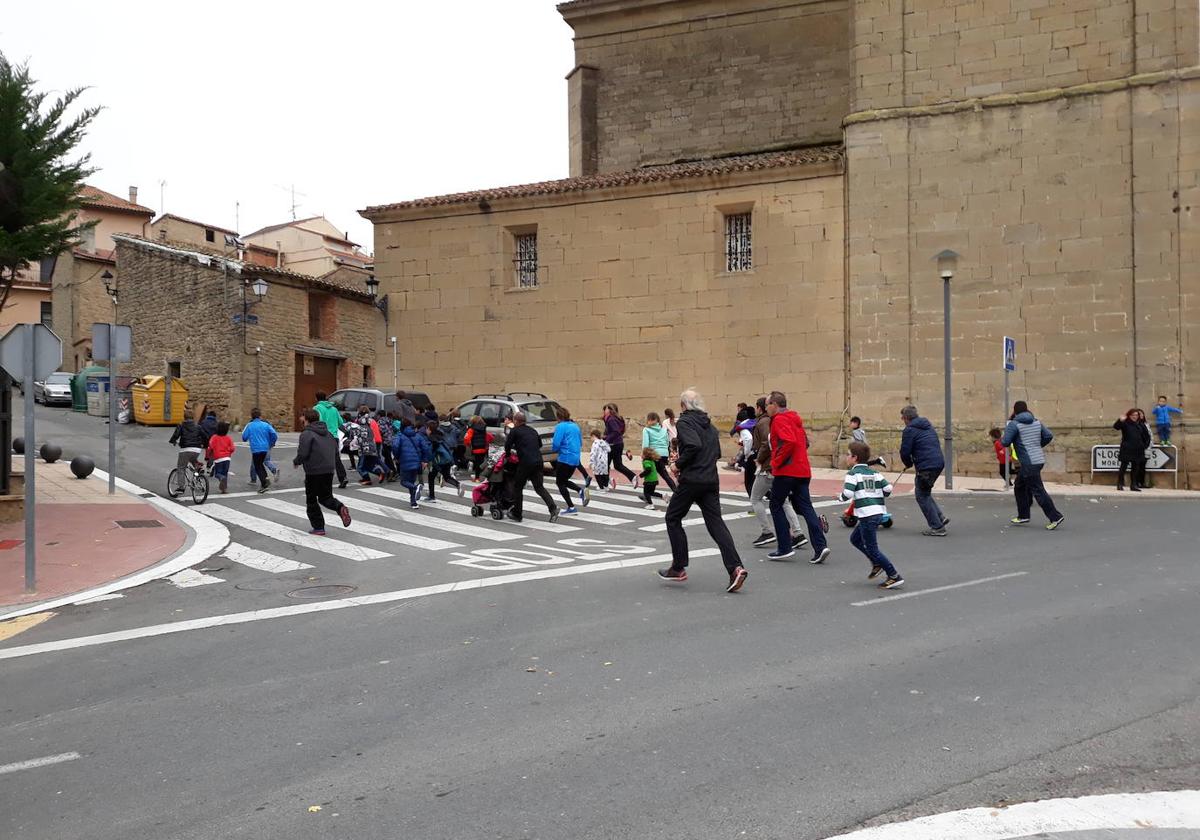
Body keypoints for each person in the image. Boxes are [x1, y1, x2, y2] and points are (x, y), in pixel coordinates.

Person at [656, 389, 747, 592]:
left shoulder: (685, 422)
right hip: (710, 479)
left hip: (692, 479)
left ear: (683, 406)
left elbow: (694, 446)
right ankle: (735, 568)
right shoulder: (710, 426)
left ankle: (678, 567)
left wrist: (677, 465)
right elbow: (716, 452)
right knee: (716, 523)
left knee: (672, 518)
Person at [764, 391, 830, 563]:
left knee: (775, 505)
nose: (766, 408)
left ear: (775, 405)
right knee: (806, 507)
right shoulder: (795, 419)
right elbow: (804, 443)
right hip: (802, 470)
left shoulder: (779, 419)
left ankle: (784, 547)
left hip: (787, 471)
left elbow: (788, 442)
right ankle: (821, 546)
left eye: (767, 405)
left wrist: (776, 462)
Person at [840, 441, 903, 589]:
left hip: (867, 515)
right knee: (855, 539)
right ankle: (876, 563)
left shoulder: (852, 474)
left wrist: (840, 497)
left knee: (872, 547)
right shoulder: (875, 473)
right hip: (877, 512)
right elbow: (887, 489)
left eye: (848, 455)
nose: (847, 457)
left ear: (855, 458)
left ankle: (894, 575)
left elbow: (848, 493)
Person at [748, 396, 805, 549]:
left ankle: (767, 531)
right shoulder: (772, 420)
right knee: (784, 501)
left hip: (769, 467)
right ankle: (798, 533)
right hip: (776, 467)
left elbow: (768, 443)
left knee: (755, 498)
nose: (765, 408)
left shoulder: (765, 422)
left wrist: (760, 459)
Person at [1002, 400, 1065, 529]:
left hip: (1028, 462)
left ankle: (1055, 517)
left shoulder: (1014, 424)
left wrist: (1008, 434)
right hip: (1038, 460)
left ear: (1015, 411)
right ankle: (1023, 515)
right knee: (1019, 486)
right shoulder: (1036, 421)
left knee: (1038, 491)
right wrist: (1038, 445)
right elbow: (1048, 435)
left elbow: (1005, 442)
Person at [293, 408, 353, 535]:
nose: (300, 419)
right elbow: (335, 451)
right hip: (328, 470)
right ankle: (339, 507)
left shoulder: (306, 434)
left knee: (311, 499)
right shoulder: (329, 433)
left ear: (307, 419)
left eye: (302, 417)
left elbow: (303, 453)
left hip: (314, 471)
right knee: (325, 497)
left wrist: (297, 461)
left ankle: (318, 527)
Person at [899, 405, 949, 536]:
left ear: (906, 418)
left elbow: (905, 451)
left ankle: (937, 527)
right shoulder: (927, 426)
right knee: (925, 492)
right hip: (938, 463)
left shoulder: (909, 430)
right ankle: (940, 517)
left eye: (902, 417)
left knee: (921, 495)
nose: (902, 420)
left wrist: (908, 463)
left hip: (926, 466)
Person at [505, 412, 559, 522]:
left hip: (525, 463)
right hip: (538, 461)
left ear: (515, 421)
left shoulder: (514, 431)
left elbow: (507, 445)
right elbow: (539, 445)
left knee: (518, 487)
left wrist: (508, 454)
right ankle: (553, 508)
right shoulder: (533, 430)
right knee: (539, 487)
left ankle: (517, 514)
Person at [551, 406, 587, 514]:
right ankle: (580, 491)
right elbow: (580, 442)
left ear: (558, 417)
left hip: (565, 458)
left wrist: (554, 450)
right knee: (564, 480)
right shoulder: (575, 426)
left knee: (560, 482)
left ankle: (571, 507)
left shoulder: (560, 426)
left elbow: (556, 443)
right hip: (575, 458)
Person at [169, 407, 210, 494]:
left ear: (184, 417)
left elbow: (176, 435)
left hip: (185, 449)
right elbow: (206, 437)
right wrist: (204, 445)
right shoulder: (198, 426)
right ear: (193, 417)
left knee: (181, 467)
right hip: (197, 449)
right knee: (192, 459)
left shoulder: (181, 425)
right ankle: (198, 470)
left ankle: (181, 487)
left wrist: (173, 441)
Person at [313, 391, 349, 488]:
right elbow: (341, 422)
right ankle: (343, 477)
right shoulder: (334, 409)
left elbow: (317, 422)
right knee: (336, 459)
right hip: (334, 437)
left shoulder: (317, 408)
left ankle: (319, 480)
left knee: (320, 458)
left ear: (316, 398)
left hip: (323, 436)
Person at [393, 419, 431, 509]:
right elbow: (425, 448)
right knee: (411, 481)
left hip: (405, 461)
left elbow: (395, 446)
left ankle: (416, 487)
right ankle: (413, 502)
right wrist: (425, 460)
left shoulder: (400, 436)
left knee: (404, 481)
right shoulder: (417, 436)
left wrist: (397, 457)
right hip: (417, 462)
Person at [1112, 408, 1152, 492]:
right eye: (1133, 415)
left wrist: (1144, 445)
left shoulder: (1141, 424)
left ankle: (1133, 485)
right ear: (1129, 415)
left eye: (1136, 415)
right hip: (1127, 448)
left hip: (1138, 449)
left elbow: (1147, 436)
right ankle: (1120, 484)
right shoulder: (1125, 423)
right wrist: (1120, 420)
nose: (1135, 417)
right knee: (1123, 467)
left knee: (1135, 468)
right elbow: (1116, 427)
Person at [241, 408, 277, 494]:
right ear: (260, 416)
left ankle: (264, 484)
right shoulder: (265, 425)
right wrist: (271, 443)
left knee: (257, 466)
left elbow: (244, 437)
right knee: (260, 464)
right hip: (265, 448)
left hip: (256, 449)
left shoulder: (250, 425)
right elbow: (274, 434)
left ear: (252, 416)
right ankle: (265, 479)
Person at [426, 420, 462, 500]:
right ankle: (458, 484)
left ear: (429, 429)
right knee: (447, 477)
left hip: (438, 461)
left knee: (431, 477)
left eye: (426, 428)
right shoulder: (440, 436)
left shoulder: (432, 439)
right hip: (446, 459)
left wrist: (427, 460)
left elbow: (432, 452)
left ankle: (431, 496)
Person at [641, 412, 676, 494]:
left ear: (648, 420)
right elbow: (667, 443)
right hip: (664, 454)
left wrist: (643, 454)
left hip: (653, 455)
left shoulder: (646, 430)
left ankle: (647, 494)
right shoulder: (664, 430)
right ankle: (676, 491)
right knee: (664, 475)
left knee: (650, 474)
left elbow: (645, 444)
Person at [603, 403, 637, 484]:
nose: (604, 411)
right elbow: (618, 431)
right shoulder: (617, 418)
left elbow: (615, 431)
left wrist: (606, 440)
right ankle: (632, 476)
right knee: (618, 465)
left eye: (606, 409)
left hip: (612, 445)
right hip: (618, 443)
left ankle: (606, 483)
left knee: (605, 465)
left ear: (610, 410)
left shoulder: (611, 419)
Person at [354, 405, 386, 485]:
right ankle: (378, 473)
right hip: (373, 443)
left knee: (361, 466)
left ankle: (368, 478)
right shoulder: (372, 420)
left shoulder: (360, 421)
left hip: (364, 445)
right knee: (368, 463)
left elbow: (358, 432)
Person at [205, 421, 235, 494]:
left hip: (218, 458)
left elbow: (210, 447)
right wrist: (228, 452)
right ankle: (224, 489)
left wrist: (207, 456)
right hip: (227, 458)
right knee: (225, 473)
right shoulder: (228, 438)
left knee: (218, 473)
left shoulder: (214, 437)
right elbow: (232, 448)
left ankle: (222, 479)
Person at [732, 415, 756, 497]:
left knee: (749, 483)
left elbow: (749, 439)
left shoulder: (743, 426)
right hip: (756, 455)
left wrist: (746, 454)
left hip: (752, 456)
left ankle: (754, 504)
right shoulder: (755, 422)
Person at [464, 415, 491, 481]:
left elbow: (466, 438)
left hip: (475, 448)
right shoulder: (484, 428)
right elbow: (488, 437)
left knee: (477, 463)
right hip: (483, 448)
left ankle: (477, 478)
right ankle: (482, 476)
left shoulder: (471, 429)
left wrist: (468, 445)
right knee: (482, 462)